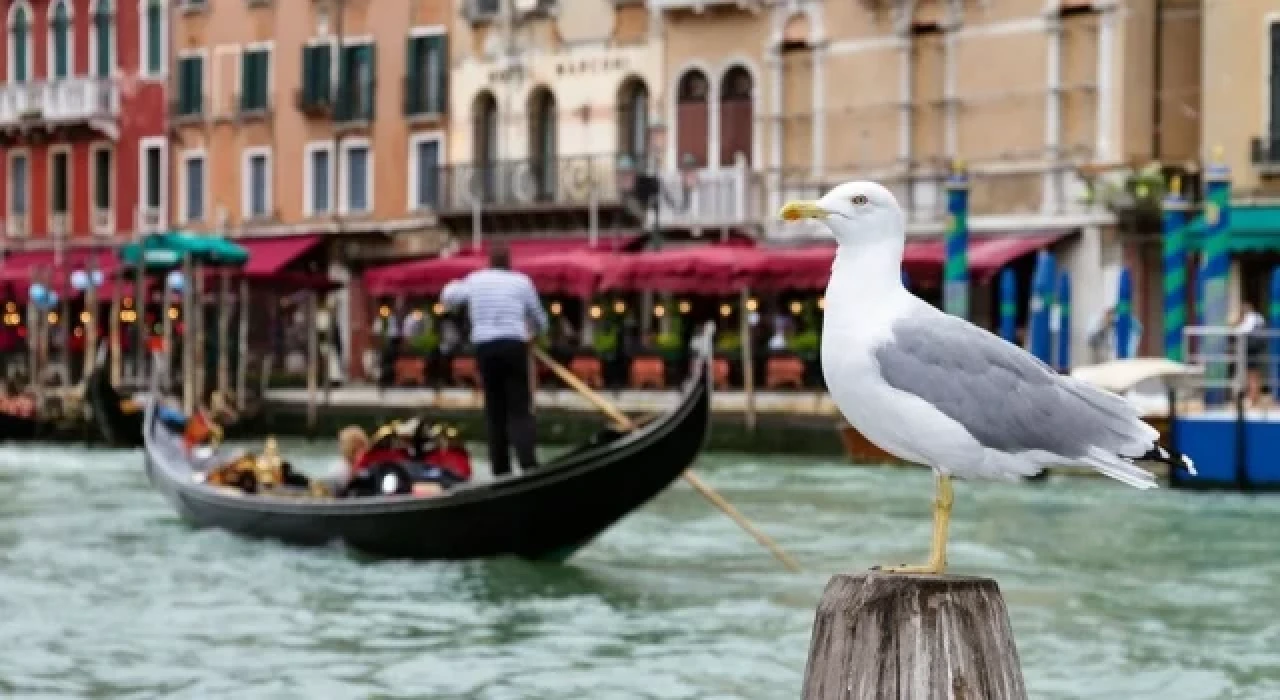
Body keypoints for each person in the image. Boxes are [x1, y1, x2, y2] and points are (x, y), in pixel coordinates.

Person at [441, 243, 548, 476]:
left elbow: (448, 296)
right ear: (509, 261)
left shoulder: (476, 280)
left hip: (486, 349)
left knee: (495, 409)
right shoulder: (522, 282)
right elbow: (541, 319)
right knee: (519, 408)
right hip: (513, 346)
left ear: (489, 261)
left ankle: (501, 470)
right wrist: (532, 335)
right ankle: (528, 464)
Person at [1232, 301, 1268, 407]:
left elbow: (1240, 331)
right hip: (1258, 350)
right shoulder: (1260, 318)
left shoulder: (1250, 318)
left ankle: (1253, 399)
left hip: (1250, 351)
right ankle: (1255, 398)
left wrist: (1236, 324)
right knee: (1255, 375)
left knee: (1251, 376)